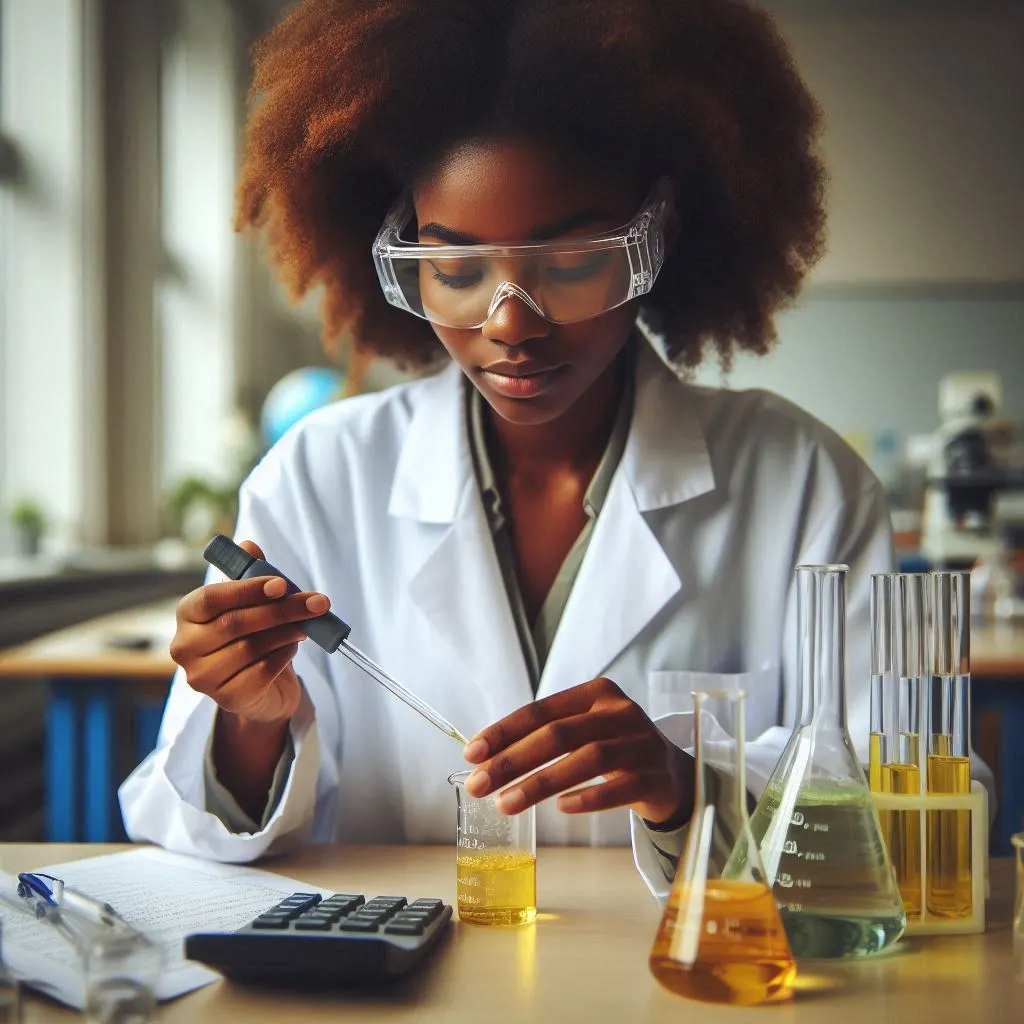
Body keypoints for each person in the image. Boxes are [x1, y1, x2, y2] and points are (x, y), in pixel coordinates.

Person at [119, 0, 893, 899]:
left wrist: (691, 784)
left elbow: (915, 817)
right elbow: (186, 831)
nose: (511, 325)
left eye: (569, 263)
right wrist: (249, 722)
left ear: (661, 238)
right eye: (455, 270)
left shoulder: (803, 484)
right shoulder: (321, 475)